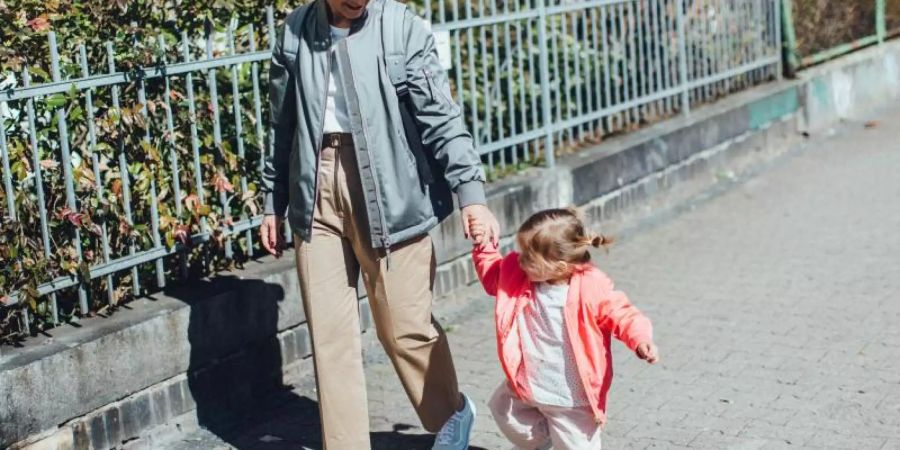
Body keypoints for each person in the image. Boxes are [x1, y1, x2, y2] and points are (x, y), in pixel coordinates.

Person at [258, 0, 500, 449]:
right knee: (330, 339)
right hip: (315, 191)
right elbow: (281, 125)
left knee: (404, 327)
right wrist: (274, 200)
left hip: (390, 189)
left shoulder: (400, 27)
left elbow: (441, 116)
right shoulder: (294, 32)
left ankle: (451, 413)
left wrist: (471, 193)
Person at [468, 208, 658, 449]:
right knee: (502, 408)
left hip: (571, 396)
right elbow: (493, 274)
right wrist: (483, 244)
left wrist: (640, 338)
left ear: (558, 267)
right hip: (528, 382)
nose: (519, 258)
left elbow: (622, 313)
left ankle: (559, 434)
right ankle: (544, 437)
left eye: (528, 256)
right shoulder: (517, 273)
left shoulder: (591, 286)